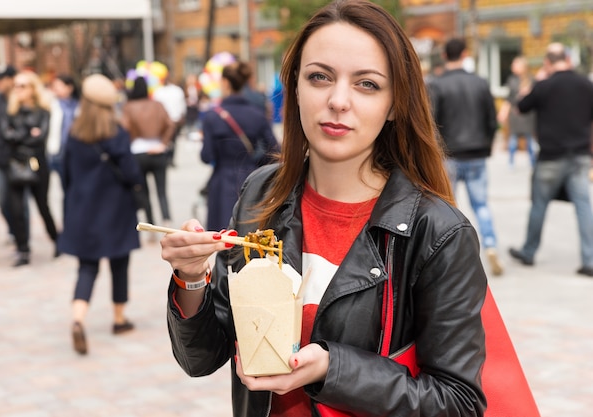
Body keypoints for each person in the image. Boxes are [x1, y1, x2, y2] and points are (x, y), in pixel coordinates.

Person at [159, 1, 488, 415]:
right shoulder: (262, 193)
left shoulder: (437, 233)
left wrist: (333, 369)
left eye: (366, 84)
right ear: (294, 88)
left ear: (394, 104)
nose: (337, 100)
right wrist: (191, 279)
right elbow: (202, 356)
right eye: (320, 77)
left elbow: (458, 403)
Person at [58, 73, 142, 355]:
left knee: (87, 267)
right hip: (115, 209)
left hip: (83, 209)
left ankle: (78, 319)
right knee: (120, 263)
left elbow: (65, 175)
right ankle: (119, 319)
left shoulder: (74, 135)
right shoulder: (116, 134)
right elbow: (131, 173)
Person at [509, 43, 593, 277]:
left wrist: (537, 81)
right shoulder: (586, 85)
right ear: (567, 59)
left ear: (547, 62)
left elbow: (520, 107)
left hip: (551, 157)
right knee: (584, 207)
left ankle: (529, 252)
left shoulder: (544, 86)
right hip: (580, 156)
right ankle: (590, 260)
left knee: (539, 204)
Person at [429, 38, 503, 276]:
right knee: (481, 204)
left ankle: (453, 256)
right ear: (465, 54)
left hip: (448, 154)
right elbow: (492, 120)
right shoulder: (480, 83)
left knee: (448, 207)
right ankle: (490, 245)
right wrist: (487, 146)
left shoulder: (436, 85)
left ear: (444, 54)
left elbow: (431, 122)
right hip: (476, 152)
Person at [200, 60, 280, 231]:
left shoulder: (212, 117)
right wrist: (256, 161)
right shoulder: (257, 114)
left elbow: (207, 156)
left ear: (226, 83)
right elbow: (275, 150)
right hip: (252, 180)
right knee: (251, 237)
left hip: (222, 181)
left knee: (223, 239)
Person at [1, 70, 59, 267]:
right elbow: (6, 136)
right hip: (16, 163)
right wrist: (27, 132)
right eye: (16, 86)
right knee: (15, 209)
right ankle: (23, 249)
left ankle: (57, 239)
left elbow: (39, 137)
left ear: (33, 89)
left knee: (43, 206)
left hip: (37, 163)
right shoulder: (10, 111)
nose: (17, 90)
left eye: (22, 86)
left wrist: (20, 134)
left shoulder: (43, 111)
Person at [0, 65, 29, 244]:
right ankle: (14, 232)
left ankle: (24, 242)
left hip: (20, 158)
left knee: (21, 204)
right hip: (1, 158)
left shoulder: (21, 99)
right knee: (3, 203)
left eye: (1, 79)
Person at [121, 76, 175, 231]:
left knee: (144, 191)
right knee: (162, 191)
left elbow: (125, 128)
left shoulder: (128, 107)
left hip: (138, 153)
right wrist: (163, 144)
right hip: (158, 152)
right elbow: (170, 124)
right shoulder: (157, 105)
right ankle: (167, 221)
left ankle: (150, 225)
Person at [498, 56, 537, 167]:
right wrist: (503, 112)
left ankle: (533, 161)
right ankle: (511, 162)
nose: (512, 66)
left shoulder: (531, 79)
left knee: (530, 140)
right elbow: (509, 99)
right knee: (513, 138)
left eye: (515, 64)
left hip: (528, 115)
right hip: (516, 114)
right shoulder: (512, 80)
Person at [47, 74, 80, 178]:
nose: (56, 88)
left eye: (59, 85)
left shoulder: (78, 105)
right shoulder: (51, 104)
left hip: (75, 148)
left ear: (69, 87)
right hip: (59, 149)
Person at [153, 68, 187, 166]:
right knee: (170, 140)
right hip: (170, 119)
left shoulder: (164, 91)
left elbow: (181, 105)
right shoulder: (161, 91)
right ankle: (169, 158)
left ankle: (169, 158)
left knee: (169, 140)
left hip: (170, 119)